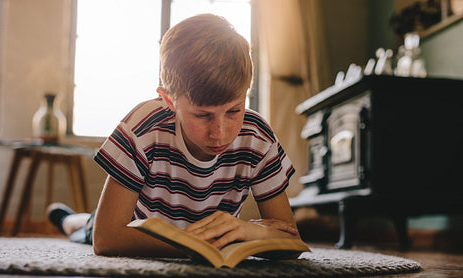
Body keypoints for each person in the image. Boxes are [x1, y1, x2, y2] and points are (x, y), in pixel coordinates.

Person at [47, 13, 301, 258]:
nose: (219, 133)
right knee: (87, 227)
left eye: (234, 110)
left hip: (199, 234)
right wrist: (191, 244)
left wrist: (251, 231)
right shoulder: (143, 128)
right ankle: (69, 220)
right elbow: (105, 239)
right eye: (202, 116)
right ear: (169, 100)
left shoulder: (258, 137)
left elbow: (292, 240)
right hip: (139, 227)